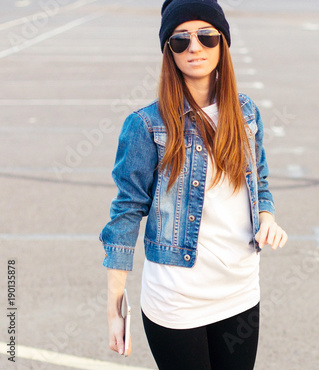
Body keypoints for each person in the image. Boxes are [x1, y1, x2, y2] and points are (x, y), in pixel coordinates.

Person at [100, 0, 287, 368]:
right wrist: (114, 304)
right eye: (180, 40)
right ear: (168, 51)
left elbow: (259, 180)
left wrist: (267, 217)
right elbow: (126, 211)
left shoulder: (246, 113)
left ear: (223, 43)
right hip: (177, 299)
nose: (195, 48)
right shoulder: (147, 125)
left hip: (241, 292)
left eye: (206, 36)